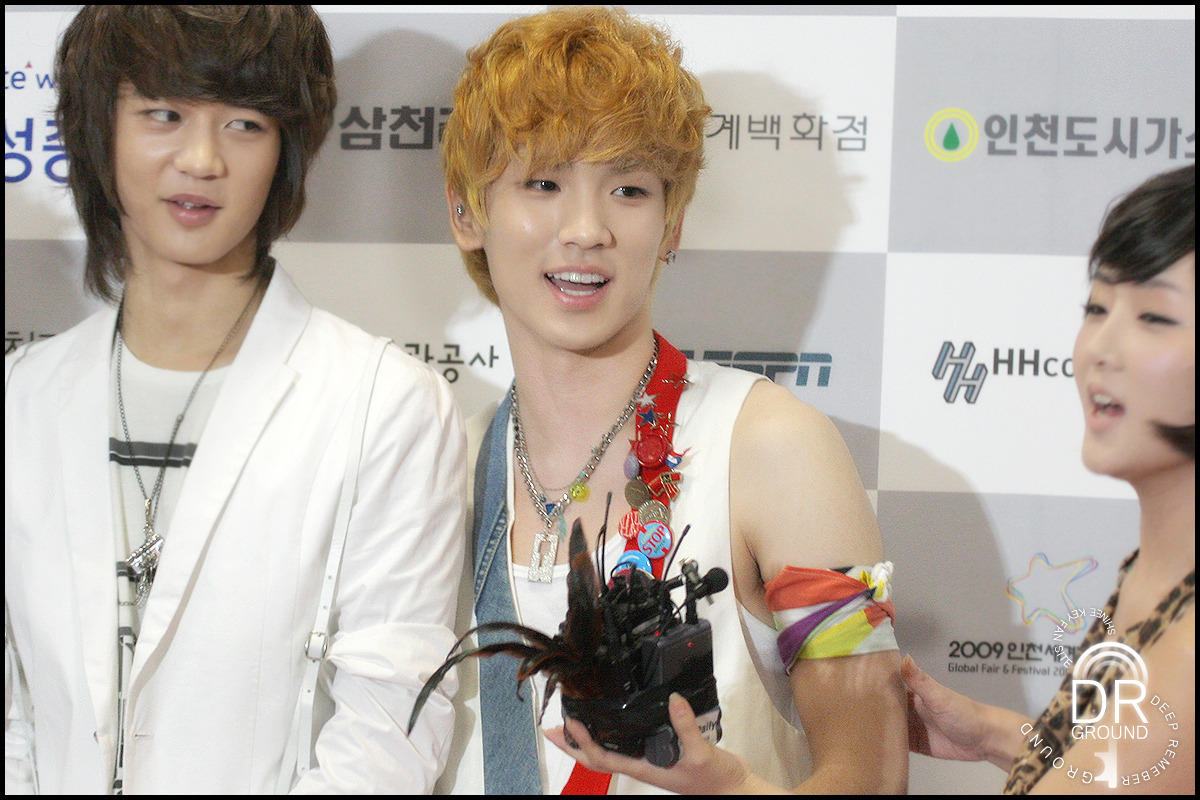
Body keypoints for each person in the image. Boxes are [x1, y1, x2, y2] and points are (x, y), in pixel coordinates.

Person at [436, 6, 907, 794]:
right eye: (544, 183)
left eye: (628, 189)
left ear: (673, 222)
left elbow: (875, 776)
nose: (585, 229)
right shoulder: (443, 461)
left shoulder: (776, 447)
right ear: (465, 212)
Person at [5, 6, 466, 793]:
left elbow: (388, 732)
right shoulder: (23, 398)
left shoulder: (385, 405)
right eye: (164, 114)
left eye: (244, 124)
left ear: (288, 150)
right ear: (98, 129)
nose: (200, 159)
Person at [903, 164, 1195, 794]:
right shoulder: (1155, 572)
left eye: (1154, 318)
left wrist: (733, 786)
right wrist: (993, 732)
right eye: (1097, 308)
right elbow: (1107, 765)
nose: (1100, 349)